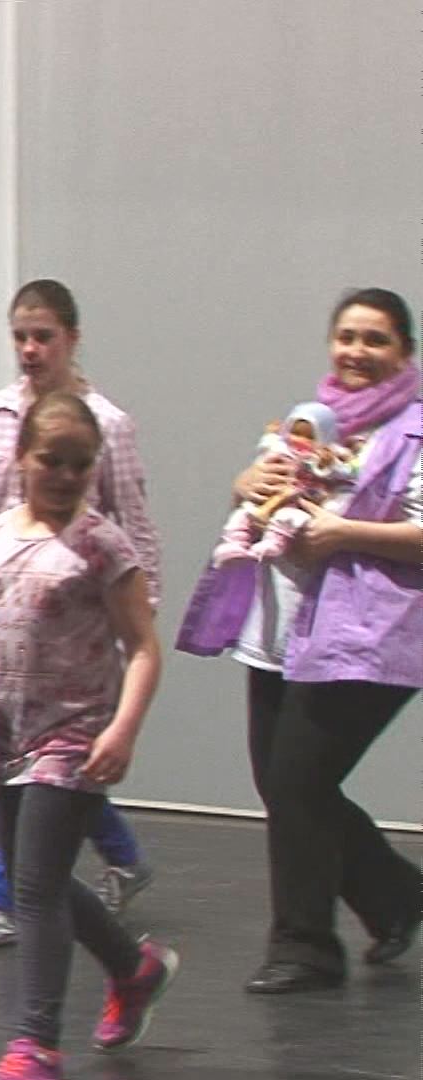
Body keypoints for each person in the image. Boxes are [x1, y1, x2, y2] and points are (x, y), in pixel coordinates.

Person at [178, 287, 423, 994]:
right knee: (284, 783)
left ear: (405, 352)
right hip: (283, 627)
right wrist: (245, 483)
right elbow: (262, 495)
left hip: (369, 635)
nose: (356, 351)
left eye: (375, 339)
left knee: (297, 781)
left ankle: (305, 946)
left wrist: (344, 533)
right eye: (347, 336)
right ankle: (395, 894)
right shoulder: (310, 420)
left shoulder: (413, 430)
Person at [0, 281, 161, 952]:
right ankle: (123, 872)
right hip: (9, 625)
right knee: (34, 774)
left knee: (57, 773)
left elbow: (135, 527)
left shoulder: (107, 424)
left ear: (71, 339)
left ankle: (10, 910)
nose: (30, 349)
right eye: (20, 336)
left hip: (77, 626)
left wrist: (137, 619)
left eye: (44, 336)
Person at [0, 391, 176, 1080]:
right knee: (32, 877)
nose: (66, 475)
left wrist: (124, 729)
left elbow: (142, 646)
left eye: (81, 464)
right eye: (53, 460)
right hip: (14, 736)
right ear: (22, 458)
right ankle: (133, 968)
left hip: (75, 736)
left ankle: (36, 1042)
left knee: (35, 890)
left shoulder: (101, 545)